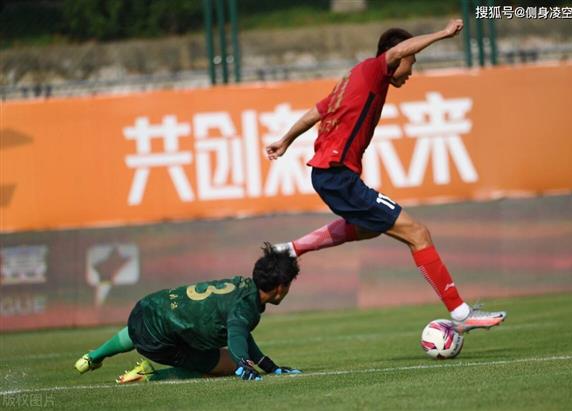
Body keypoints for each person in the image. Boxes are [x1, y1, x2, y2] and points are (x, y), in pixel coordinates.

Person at [265, 19, 506, 333]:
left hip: (329, 177)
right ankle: (460, 314)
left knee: (367, 229)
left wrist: (286, 139)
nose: (410, 70)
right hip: (337, 176)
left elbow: (316, 111)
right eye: (411, 63)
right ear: (396, 56)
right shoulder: (374, 70)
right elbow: (400, 51)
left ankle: (292, 249)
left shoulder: (354, 78)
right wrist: (444, 34)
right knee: (417, 233)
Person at [74, 243, 301, 383]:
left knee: (146, 325)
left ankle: (92, 357)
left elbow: (240, 330)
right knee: (227, 365)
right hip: (156, 340)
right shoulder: (246, 309)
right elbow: (237, 334)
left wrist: (269, 366)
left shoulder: (241, 285)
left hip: (145, 307)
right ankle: (149, 376)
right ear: (280, 287)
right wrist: (243, 364)